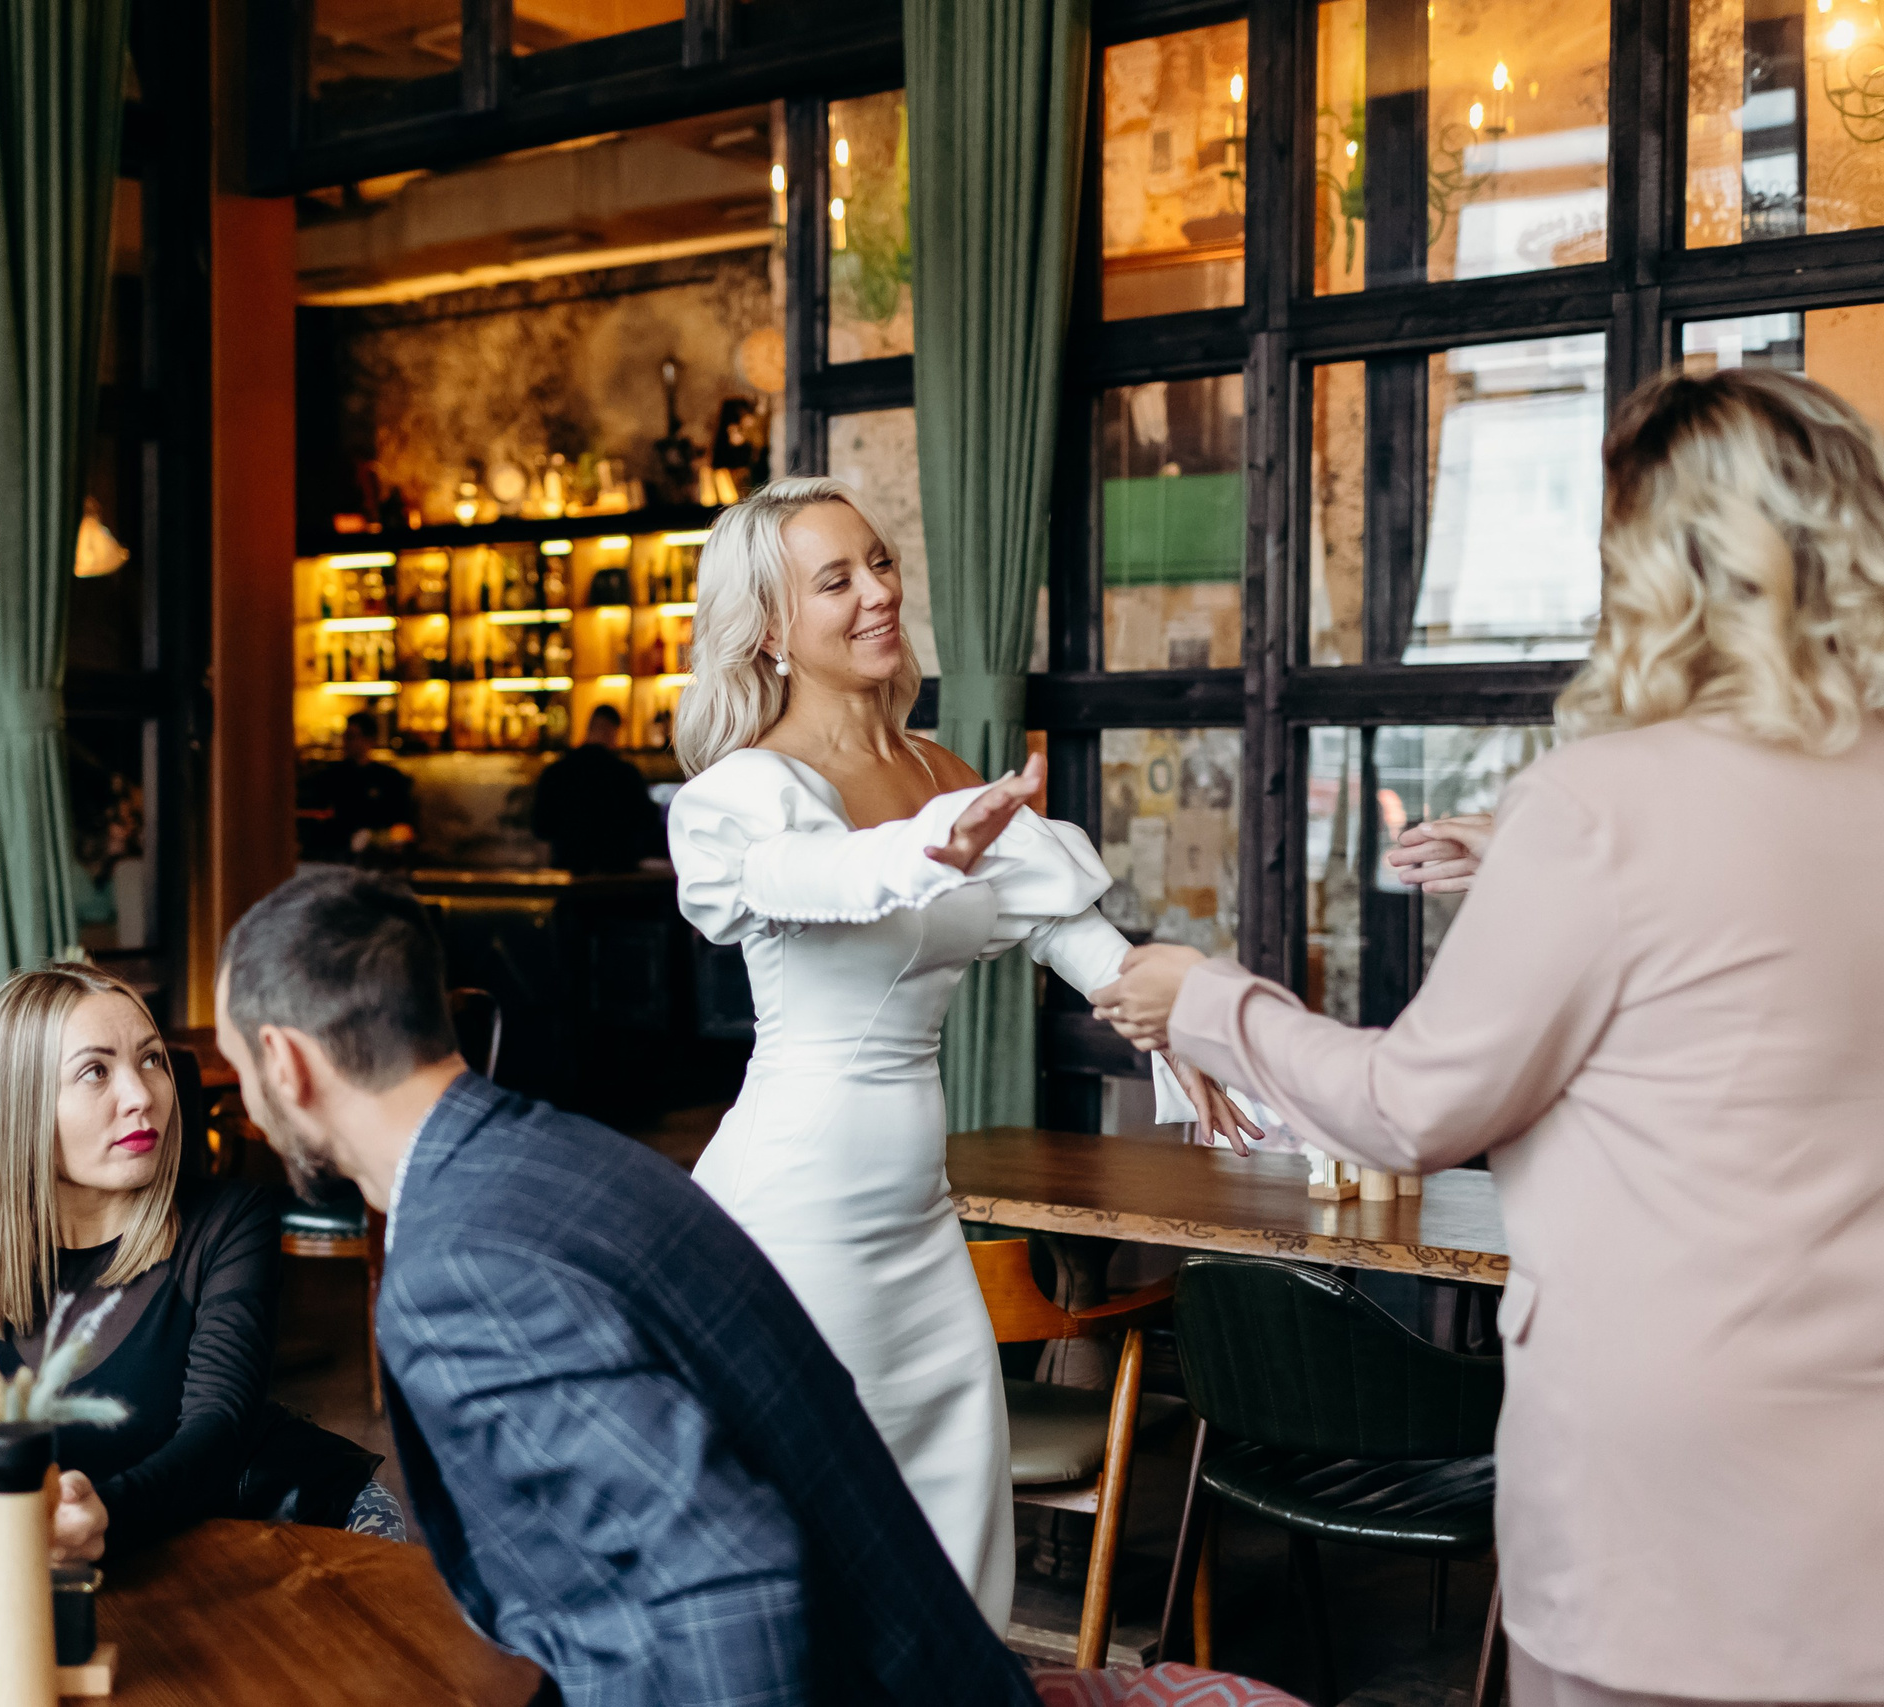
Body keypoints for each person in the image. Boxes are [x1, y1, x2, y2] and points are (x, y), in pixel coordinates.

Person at [1093, 366, 1884, 1707]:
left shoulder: (1604, 805)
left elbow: (1413, 1106)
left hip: (1666, 1479)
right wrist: (1520, 859)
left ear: (1654, 560)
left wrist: (1209, 1000)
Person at [213, 867, 1036, 1707]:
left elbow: (731, 1586)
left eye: (238, 1065)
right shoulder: (556, 1150)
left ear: (282, 1060)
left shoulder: (457, 1266)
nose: (247, 1098)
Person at [661, 476, 1254, 1629]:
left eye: (879, 562)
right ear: (769, 631)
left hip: (916, 1218)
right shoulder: (743, 799)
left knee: (953, 1524)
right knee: (812, 1534)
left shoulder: (940, 770)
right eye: (836, 579)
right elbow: (810, 881)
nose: (878, 590)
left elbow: (1074, 936)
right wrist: (932, 848)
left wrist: (1186, 1032)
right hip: (794, 1210)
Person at [0, 963, 394, 1552]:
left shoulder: (230, 1221)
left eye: (151, 1060)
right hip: (42, 1523)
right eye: (95, 1071)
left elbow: (217, 1427)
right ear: (19, 1107)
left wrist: (97, 1517)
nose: (141, 1095)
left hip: (245, 1515)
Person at [529, 704, 664, 873]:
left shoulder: (556, 772)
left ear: (589, 728)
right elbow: (647, 821)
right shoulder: (625, 774)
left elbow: (541, 827)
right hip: (618, 875)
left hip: (569, 873)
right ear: (614, 731)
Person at [297, 713, 417, 865]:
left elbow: (404, 826)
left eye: (352, 737)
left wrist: (374, 838)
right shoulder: (330, 776)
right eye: (345, 737)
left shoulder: (390, 778)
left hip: (377, 857)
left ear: (370, 740)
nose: (346, 743)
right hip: (335, 854)